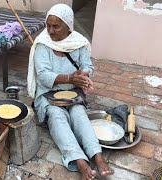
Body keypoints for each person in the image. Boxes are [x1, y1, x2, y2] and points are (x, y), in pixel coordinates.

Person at [27, 4, 114, 180]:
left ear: (68, 26)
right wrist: (69, 78)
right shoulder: (43, 44)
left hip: (73, 93)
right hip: (47, 94)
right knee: (57, 117)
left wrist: (84, 75)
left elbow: (88, 66)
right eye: (48, 25)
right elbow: (43, 76)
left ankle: (97, 155)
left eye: (56, 26)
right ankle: (80, 160)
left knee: (79, 114)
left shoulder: (78, 42)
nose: (50, 30)